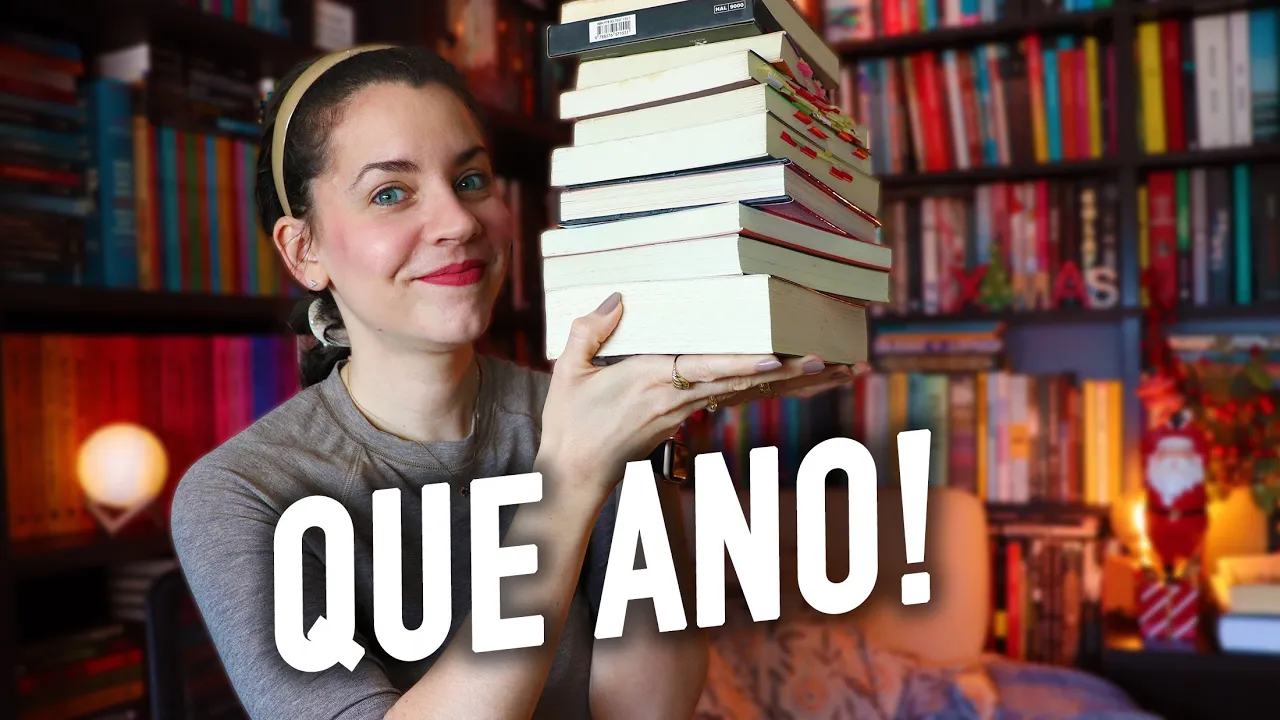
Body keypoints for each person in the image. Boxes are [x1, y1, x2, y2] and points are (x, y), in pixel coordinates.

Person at [169, 45, 863, 720]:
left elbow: (645, 708)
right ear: (304, 250)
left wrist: (648, 434)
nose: (457, 222)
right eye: (390, 193)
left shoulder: (582, 415)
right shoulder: (243, 493)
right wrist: (570, 481)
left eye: (471, 180)